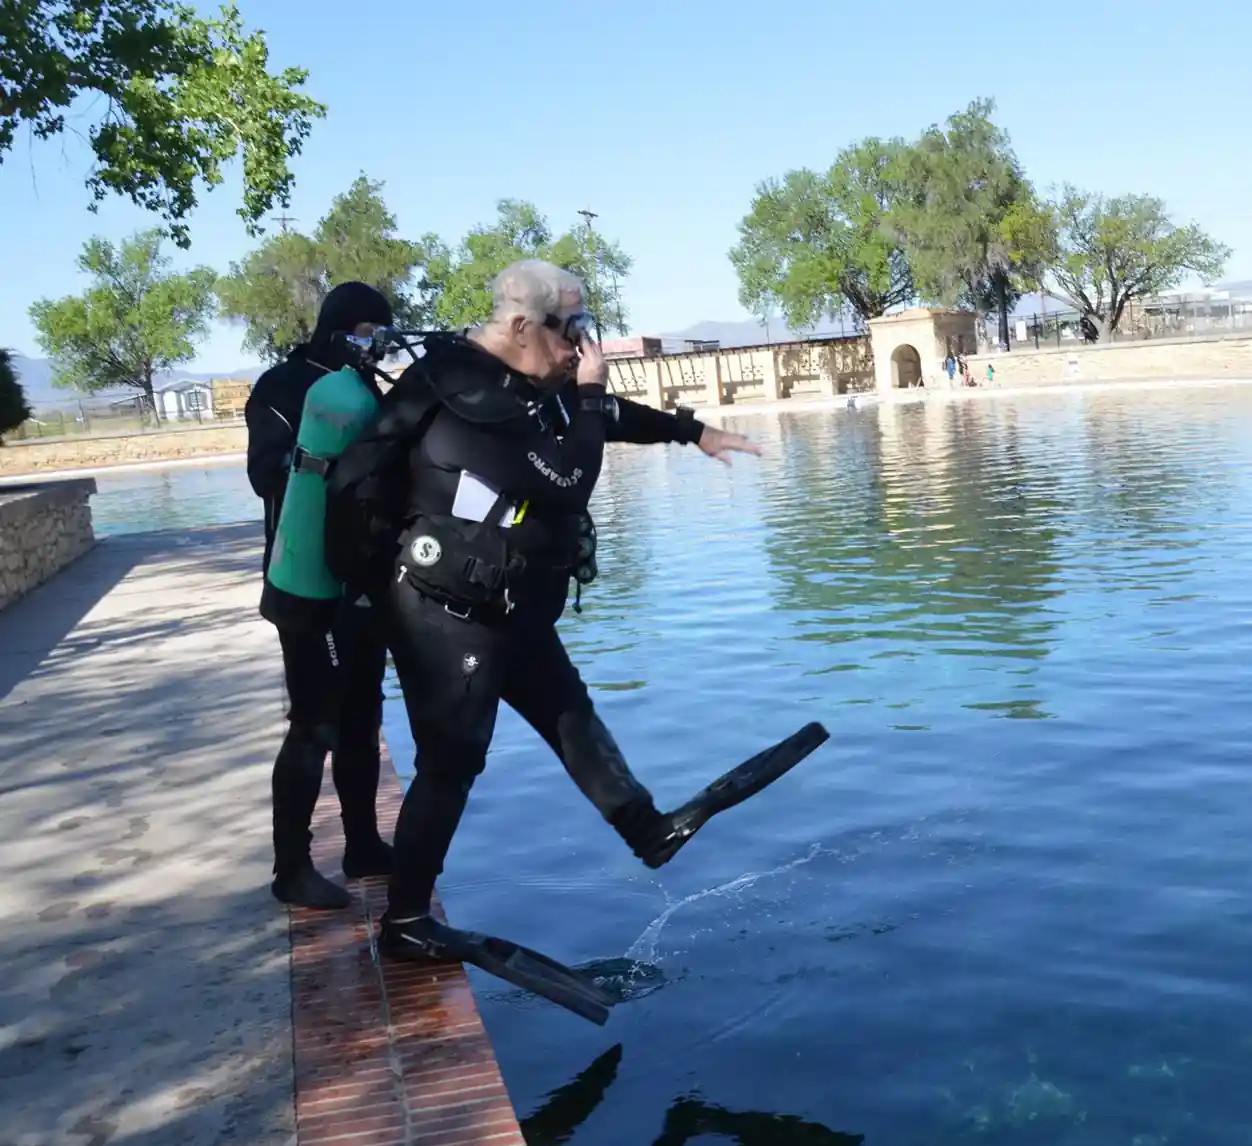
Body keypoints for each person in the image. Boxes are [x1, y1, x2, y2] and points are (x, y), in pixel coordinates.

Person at [332, 259, 820, 998]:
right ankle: (404, 920)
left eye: (589, 329)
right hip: (442, 613)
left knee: (569, 712)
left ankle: (645, 830)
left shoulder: (527, 386)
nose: (582, 347)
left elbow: (605, 418)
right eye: (574, 329)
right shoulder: (464, 391)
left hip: (505, 602)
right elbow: (565, 477)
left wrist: (692, 432)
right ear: (523, 326)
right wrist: (590, 392)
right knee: (454, 760)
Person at [244, 282, 398, 909]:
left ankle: (362, 844)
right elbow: (264, 475)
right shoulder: (281, 387)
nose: (377, 346)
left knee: (363, 719)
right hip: (305, 583)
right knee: (315, 724)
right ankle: (291, 868)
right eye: (369, 333)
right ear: (342, 329)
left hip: (359, 585)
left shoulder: (365, 391)